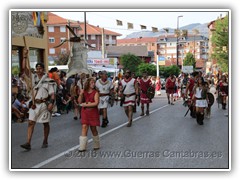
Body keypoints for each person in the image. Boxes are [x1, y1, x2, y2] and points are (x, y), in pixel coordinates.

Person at [20, 62, 56, 150]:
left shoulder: (48, 80)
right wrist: (24, 57)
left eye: (40, 68)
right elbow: (24, 69)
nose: (38, 70)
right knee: (31, 122)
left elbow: (52, 94)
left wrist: (51, 103)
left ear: (43, 69)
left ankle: (45, 140)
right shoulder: (33, 78)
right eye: (37, 68)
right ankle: (28, 143)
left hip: (44, 104)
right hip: (34, 104)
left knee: (45, 123)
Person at [78, 78, 100, 152]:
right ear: (88, 83)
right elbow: (79, 102)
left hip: (93, 112)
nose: (93, 84)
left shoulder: (95, 92)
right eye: (91, 82)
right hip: (85, 112)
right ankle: (82, 146)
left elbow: (96, 103)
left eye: (94, 82)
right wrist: (80, 94)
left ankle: (96, 144)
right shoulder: (84, 92)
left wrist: (86, 104)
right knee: (84, 126)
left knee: (93, 128)